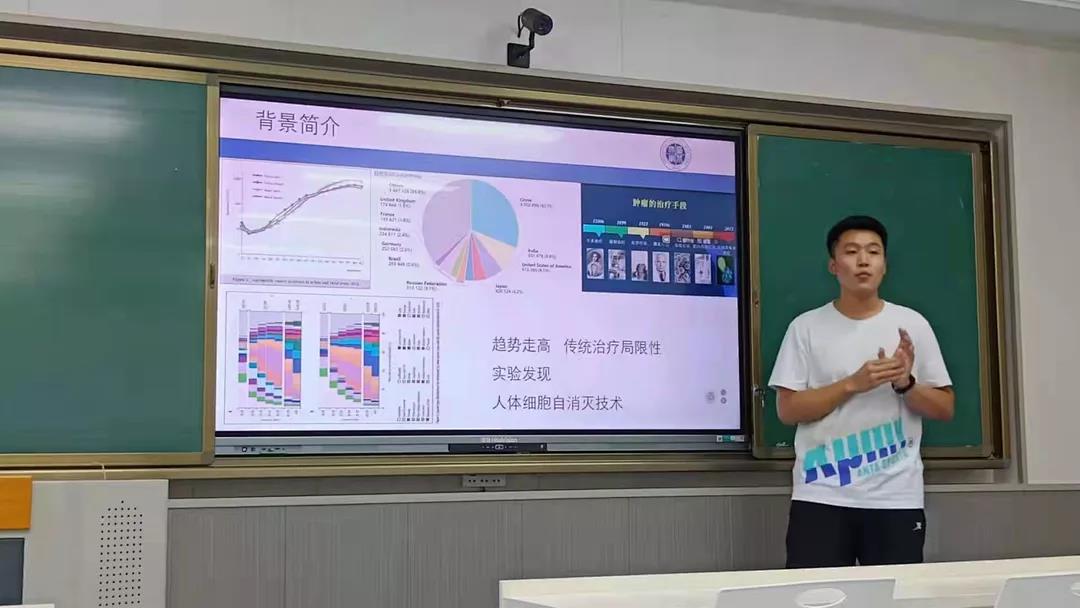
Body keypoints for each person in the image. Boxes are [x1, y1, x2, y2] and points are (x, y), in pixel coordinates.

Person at [768, 215, 954, 569]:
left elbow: (945, 407)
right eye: (852, 252)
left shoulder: (913, 325)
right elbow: (787, 409)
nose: (863, 261)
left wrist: (905, 383)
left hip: (895, 498)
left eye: (873, 252)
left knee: (896, 594)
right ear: (833, 265)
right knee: (814, 593)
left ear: (885, 265)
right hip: (821, 494)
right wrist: (852, 384)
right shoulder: (805, 327)